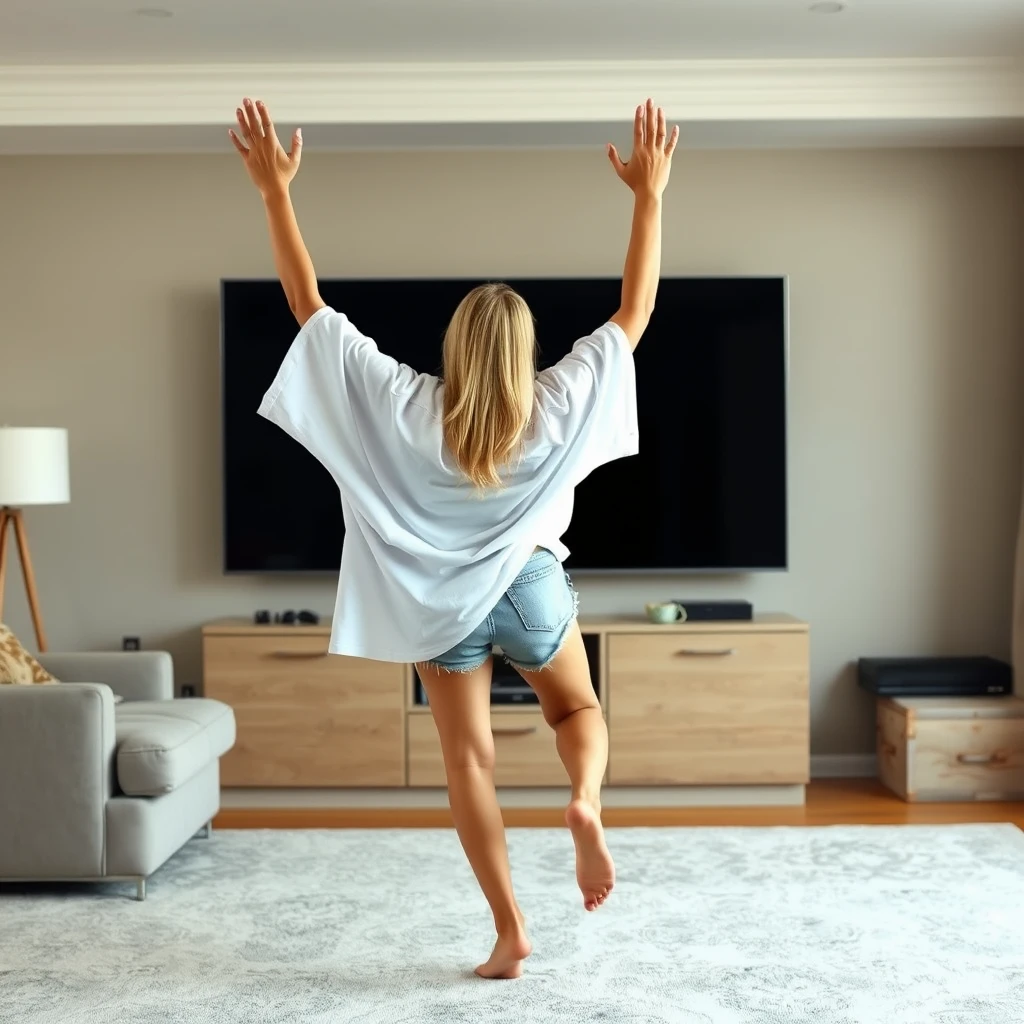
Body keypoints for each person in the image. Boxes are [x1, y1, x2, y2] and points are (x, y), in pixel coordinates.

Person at [229, 96, 679, 979]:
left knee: (469, 760)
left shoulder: (403, 401)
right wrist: (649, 196)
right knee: (577, 709)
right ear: (523, 353)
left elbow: (305, 305)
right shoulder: (555, 402)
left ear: (456, 346)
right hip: (531, 591)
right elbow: (635, 312)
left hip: (441, 615)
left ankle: (510, 930)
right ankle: (584, 801)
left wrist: (275, 193)